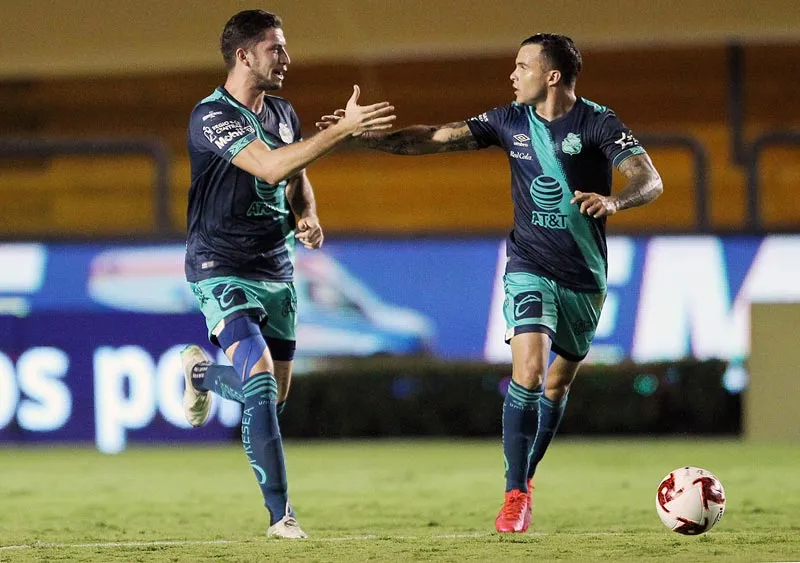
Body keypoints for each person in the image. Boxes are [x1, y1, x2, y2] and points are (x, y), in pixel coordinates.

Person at [318, 33, 663, 533]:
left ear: (551, 76)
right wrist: (359, 137)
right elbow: (434, 137)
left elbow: (648, 179)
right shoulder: (507, 120)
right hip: (529, 265)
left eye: (522, 66)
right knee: (528, 368)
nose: (511, 74)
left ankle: (527, 473)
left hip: (585, 278)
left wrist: (615, 202)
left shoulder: (597, 123)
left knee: (557, 383)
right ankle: (515, 493)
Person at [180, 9, 395, 540]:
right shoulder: (212, 115)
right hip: (220, 264)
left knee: (272, 397)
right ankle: (282, 517)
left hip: (275, 266)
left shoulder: (282, 112)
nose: (287, 58)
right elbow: (270, 166)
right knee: (257, 386)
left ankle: (201, 375)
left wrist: (307, 214)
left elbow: (294, 176)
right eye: (276, 48)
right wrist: (344, 130)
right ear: (244, 55)